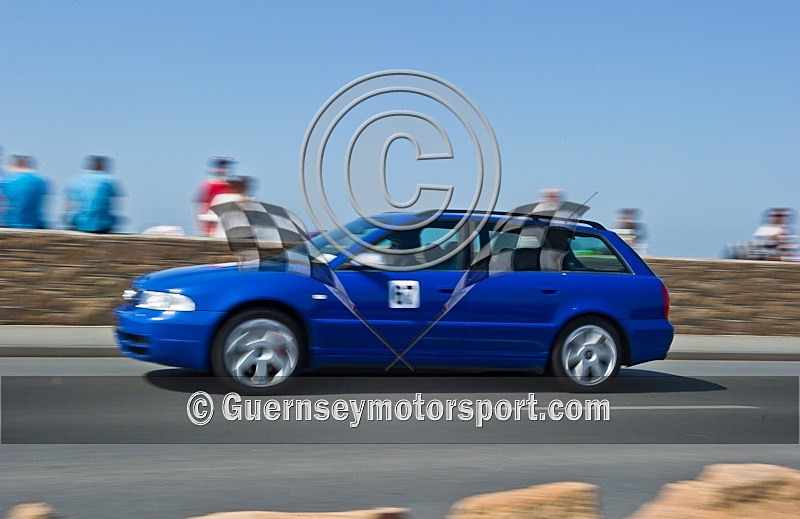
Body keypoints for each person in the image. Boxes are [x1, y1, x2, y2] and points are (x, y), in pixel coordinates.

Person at [64, 155, 122, 233]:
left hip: (81, 223)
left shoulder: (77, 180)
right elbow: (115, 205)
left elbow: (68, 205)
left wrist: (67, 219)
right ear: (103, 166)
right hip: (103, 224)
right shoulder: (109, 181)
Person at [0, 155, 48, 229]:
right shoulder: (39, 181)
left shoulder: (7, 181)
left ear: (16, 164)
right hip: (33, 226)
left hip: (10, 225)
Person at [195, 157, 234, 236]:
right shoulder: (209, 185)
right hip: (210, 227)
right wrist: (200, 227)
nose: (222, 170)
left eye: (224, 167)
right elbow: (201, 206)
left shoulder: (231, 187)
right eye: (220, 167)